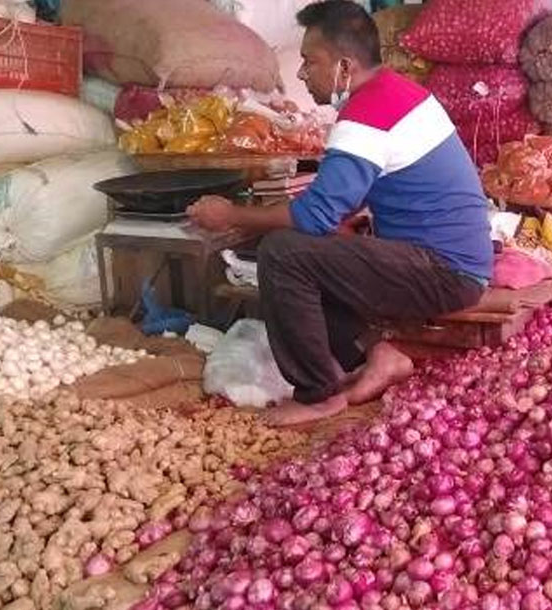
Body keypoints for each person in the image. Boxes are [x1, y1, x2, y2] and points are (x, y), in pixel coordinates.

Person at [188, 0, 492, 426]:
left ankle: (317, 394)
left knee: (283, 252)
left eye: (310, 62)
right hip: (453, 261)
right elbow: (339, 205)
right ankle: (378, 354)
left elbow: (312, 217)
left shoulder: (366, 115)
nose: (301, 73)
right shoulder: (399, 92)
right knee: (316, 248)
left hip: (446, 272)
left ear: (344, 67)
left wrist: (231, 215)